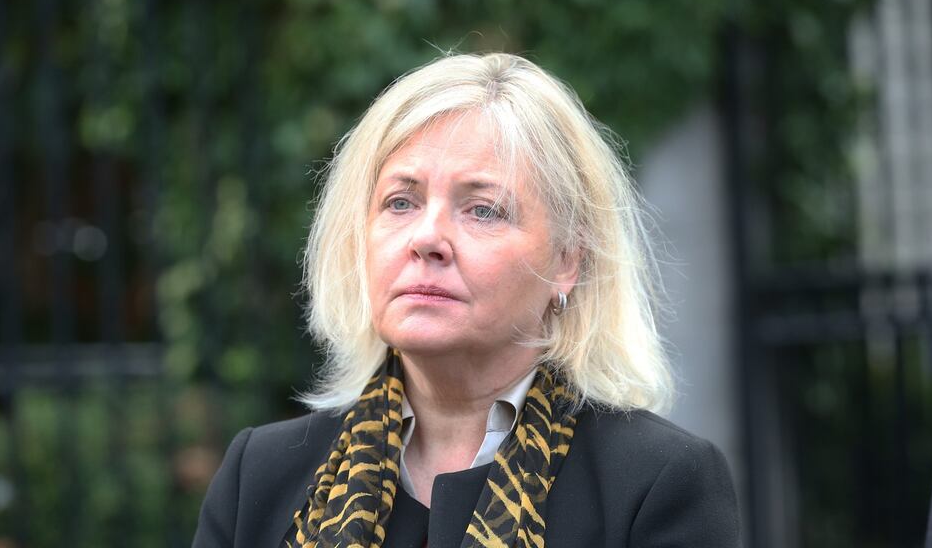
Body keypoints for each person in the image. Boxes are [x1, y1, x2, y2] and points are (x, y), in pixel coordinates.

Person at [192, 53, 740, 547]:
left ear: (567, 261)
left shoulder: (658, 483)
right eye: (401, 202)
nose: (427, 238)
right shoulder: (259, 476)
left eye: (483, 210)